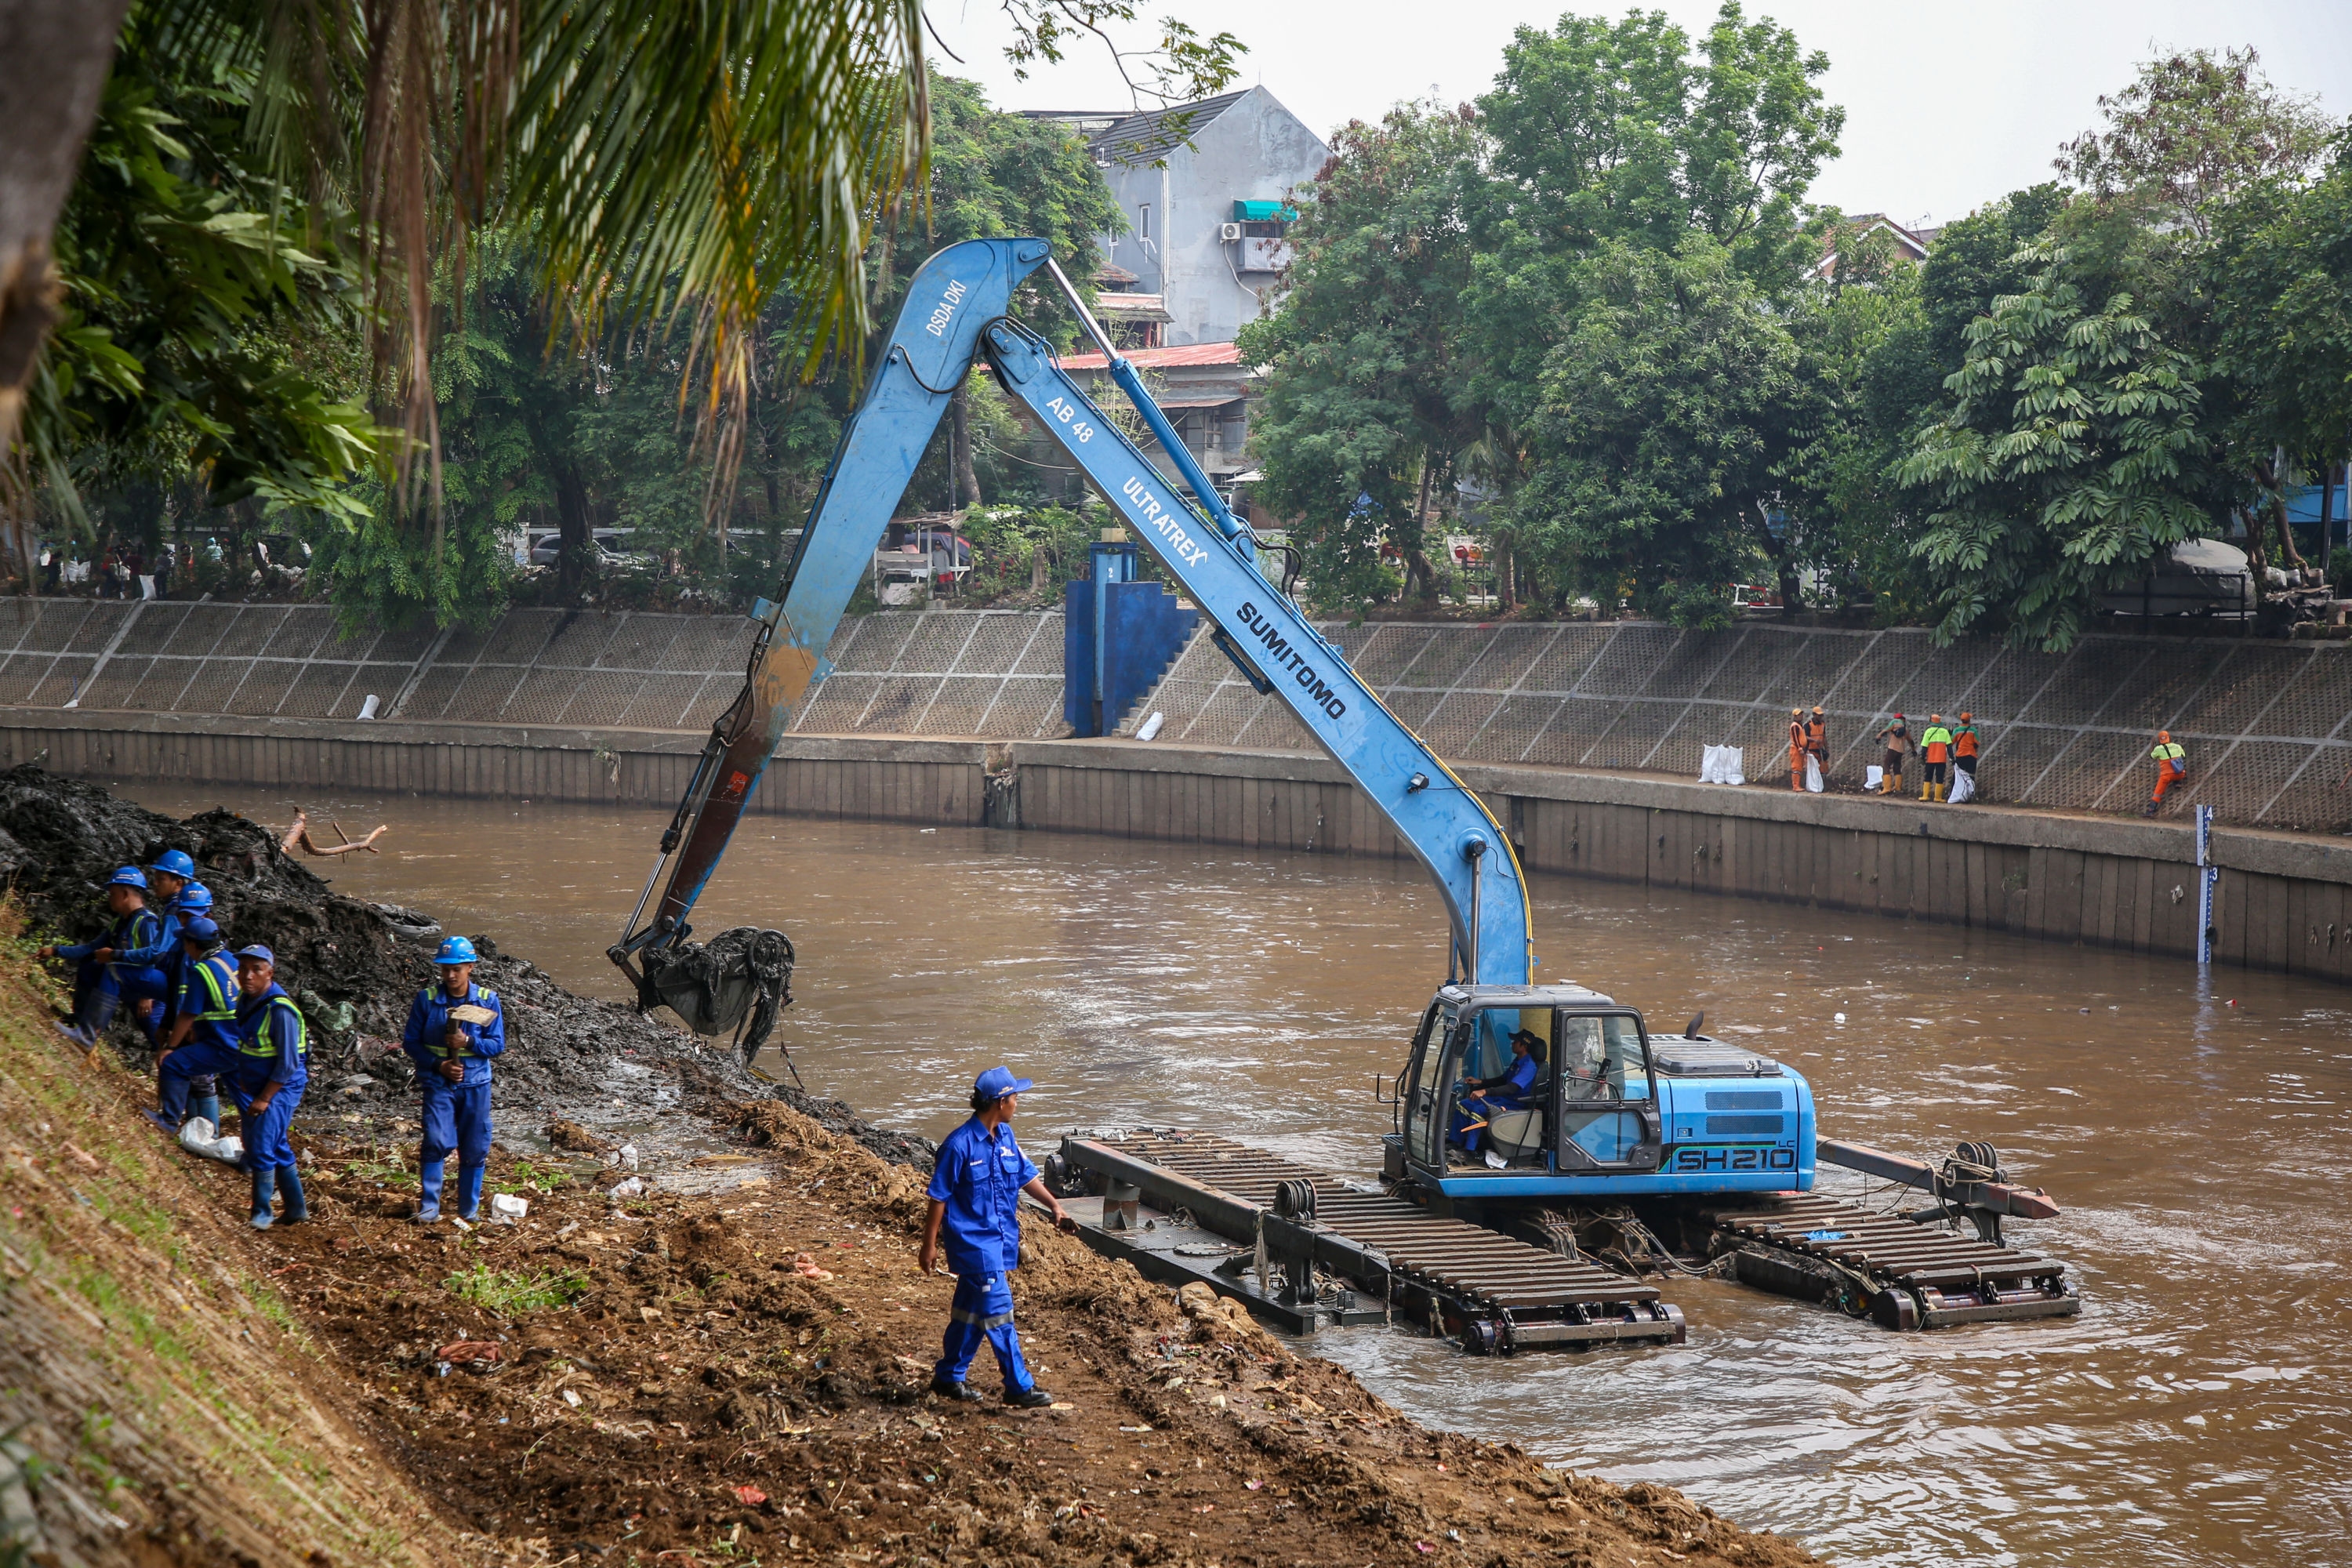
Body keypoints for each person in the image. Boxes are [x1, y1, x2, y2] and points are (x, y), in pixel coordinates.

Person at [920, 1066, 1067, 1409]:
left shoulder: (1005, 1138)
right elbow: (938, 1197)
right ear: (1000, 1102)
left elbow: (1026, 1176)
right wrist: (928, 1246)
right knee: (999, 1314)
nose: (1017, 1103)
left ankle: (948, 1377)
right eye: (1015, 1097)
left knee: (970, 1313)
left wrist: (1055, 1206)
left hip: (999, 1241)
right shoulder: (959, 1146)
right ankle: (1018, 1386)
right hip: (974, 1245)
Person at [401, 935, 505, 1223]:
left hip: (476, 1085)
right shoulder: (427, 1000)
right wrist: (440, 1065)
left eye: (456, 969)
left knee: (474, 1147)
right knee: (435, 1139)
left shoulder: (487, 1000)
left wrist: (468, 1041)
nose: (450, 975)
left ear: (470, 967)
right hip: (439, 1082)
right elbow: (411, 1043)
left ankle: (468, 1210)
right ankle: (429, 1207)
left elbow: (496, 1045)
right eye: (445, 969)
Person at [230, 945, 308, 1229]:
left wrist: (264, 1098)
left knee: (262, 1146)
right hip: (258, 1083)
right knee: (273, 1144)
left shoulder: (280, 1011)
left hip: (281, 1086)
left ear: (270, 973)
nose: (247, 976)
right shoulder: (246, 1000)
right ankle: (297, 1209)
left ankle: (261, 1212)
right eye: (243, 970)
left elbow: (287, 1065)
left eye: (256, 970)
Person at [41, 867, 163, 1046]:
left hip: (146, 994)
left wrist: (147, 996)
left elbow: (155, 958)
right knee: (91, 966)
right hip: (124, 983)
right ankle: (79, 1021)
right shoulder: (119, 923)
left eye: (112, 893)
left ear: (125, 894)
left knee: (157, 1036)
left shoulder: (147, 923)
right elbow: (91, 948)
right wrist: (56, 950)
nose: (109, 898)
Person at [147, 916, 239, 1133]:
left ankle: (168, 1122)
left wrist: (170, 1047)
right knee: (244, 1101)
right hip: (245, 1045)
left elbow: (187, 1013)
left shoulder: (202, 970)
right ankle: (248, 1157)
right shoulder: (233, 959)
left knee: (173, 1064)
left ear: (191, 944)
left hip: (223, 1044)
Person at [111, 849, 201, 1044]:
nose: (155, 883)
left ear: (178, 883)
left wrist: (117, 955)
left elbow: (157, 952)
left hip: (176, 980)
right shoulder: (179, 908)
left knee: (115, 970)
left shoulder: (174, 912)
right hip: (175, 978)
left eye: (161, 879)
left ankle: (88, 1030)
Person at [1454, 1029, 1544, 1149]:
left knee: (1479, 1111)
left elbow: (1512, 1088)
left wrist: (1485, 1091)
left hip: (1515, 1103)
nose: (1512, 1044)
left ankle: (1470, 1150)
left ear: (1523, 1046)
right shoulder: (1518, 1061)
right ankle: (1456, 1142)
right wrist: (1480, 1082)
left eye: (1515, 1042)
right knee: (1465, 1104)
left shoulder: (1529, 1066)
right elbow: (1503, 1080)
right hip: (1502, 1099)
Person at [2145, 731, 2187, 816]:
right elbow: (2183, 755)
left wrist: (2152, 745)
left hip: (2166, 776)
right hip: (2180, 773)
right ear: (2169, 738)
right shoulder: (2177, 746)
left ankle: (2151, 810)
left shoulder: (2158, 749)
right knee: (2177, 774)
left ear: (2160, 740)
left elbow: (2152, 756)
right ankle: (2177, 782)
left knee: (2157, 793)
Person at [1918, 713, 1955, 803]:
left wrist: (1922, 757)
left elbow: (1924, 747)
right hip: (1941, 759)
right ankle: (1937, 797)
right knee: (1940, 778)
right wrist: (1952, 758)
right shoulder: (1945, 732)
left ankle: (1925, 796)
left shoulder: (1928, 731)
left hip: (1930, 759)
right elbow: (1949, 747)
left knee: (1928, 777)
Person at [1876, 713, 1911, 796]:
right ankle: (1897, 787)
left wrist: (1879, 736)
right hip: (1900, 751)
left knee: (1886, 765)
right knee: (1897, 767)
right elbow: (1910, 740)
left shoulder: (1894, 723)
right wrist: (1913, 750)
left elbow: (1886, 730)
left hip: (1892, 749)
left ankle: (1887, 788)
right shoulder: (1905, 729)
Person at [1952, 713, 1980, 795]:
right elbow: (1977, 743)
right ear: (1969, 720)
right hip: (1971, 755)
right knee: (1970, 776)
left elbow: (1951, 742)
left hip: (1960, 756)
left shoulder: (1957, 730)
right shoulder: (1973, 730)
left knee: (1958, 776)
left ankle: (1956, 793)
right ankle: (1970, 794)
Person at [1786, 709, 1806, 792]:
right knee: (1796, 768)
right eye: (1799, 715)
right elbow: (1795, 738)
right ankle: (1796, 786)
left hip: (1799, 749)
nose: (1801, 716)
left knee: (1799, 767)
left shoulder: (1799, 725)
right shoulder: (1795, 726)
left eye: (1801, 714)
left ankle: (1798, 785)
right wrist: (1800, 748)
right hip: (1796, 749)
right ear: (1795, 716)